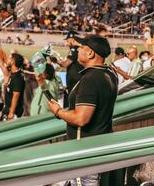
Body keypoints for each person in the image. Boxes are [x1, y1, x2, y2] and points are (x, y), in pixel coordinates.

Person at [47, 35, 120, 186]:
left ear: (90, 53)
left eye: (81, 48)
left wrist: (58, 111)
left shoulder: (91, 79)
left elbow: (81, 118)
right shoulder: (110, 74)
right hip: (99, 149)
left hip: (85, 154)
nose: (77, 51)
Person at [0, 29, 26, 120]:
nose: (7, 59)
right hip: (7, 109)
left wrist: (11, 113)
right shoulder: (10, 74)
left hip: (13, 112)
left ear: (12, 61)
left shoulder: (18, 77)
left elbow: (16, 96)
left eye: (9, 58)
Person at [57, 30, 84, 108]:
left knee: (70, 104)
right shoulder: (79, 48)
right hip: (77, 79)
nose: (67, 42)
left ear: (72, 39)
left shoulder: (74, 49)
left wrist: (55, 61)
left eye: (67, 40)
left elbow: (65, 64)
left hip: (74, 81)